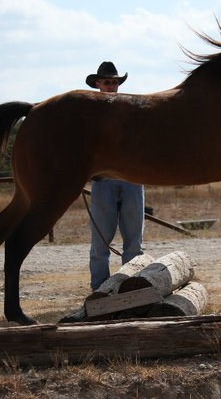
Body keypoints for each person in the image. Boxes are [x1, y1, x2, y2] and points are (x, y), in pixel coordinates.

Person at [85, 61, 145, 290]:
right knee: (100, 242)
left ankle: (133, 287)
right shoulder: (90, 113)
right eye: (107, 82)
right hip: (103, 181)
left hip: (131, 179)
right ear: (98, 84)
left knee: (134, 242)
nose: (112, 86)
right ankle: (99, 289)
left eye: (115, 82)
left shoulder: (130, 109)